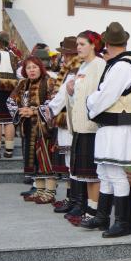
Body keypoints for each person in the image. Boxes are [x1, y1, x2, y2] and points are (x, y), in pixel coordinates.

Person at [86, 22, 131, 238]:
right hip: (111, 126)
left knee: (116, 174)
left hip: (117, 126)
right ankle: (103, 217)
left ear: (107, 43)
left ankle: (122, 222)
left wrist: (90, 103)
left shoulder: (123, 66)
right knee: (105, 172)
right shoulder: (122, 63)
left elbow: (104, 95)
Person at [7, 56, 58, 203]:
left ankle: (50, 191)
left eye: (34, 67)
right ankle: (39, 190)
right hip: (28, 127)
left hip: (44, 129)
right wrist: (19, 111)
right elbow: (10, 100)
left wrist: (34, 111)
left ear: (40, 68)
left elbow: (53, 102)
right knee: (33, 160)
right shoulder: (22, 83)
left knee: (46, 159)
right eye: (28, 68)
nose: (32, 70)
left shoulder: (49, 82)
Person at [48, 36, 82, 214]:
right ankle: (72, 198)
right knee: (71, 163)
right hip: (66, 120)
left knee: (73, 162)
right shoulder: (69, 69)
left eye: (66, 54)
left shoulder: (74, 70)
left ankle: (76, 200)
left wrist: (48, 110)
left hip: (70, 120)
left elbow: (62, 96)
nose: (63, 57)